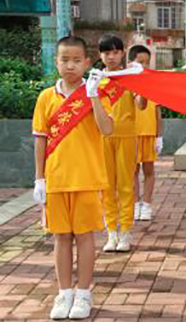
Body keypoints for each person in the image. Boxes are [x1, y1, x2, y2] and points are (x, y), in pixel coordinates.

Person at [32, 36, 113, 319]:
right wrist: (38, 179)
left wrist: (93, 96)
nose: (70, 65)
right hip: (56, 180)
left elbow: (107, 129)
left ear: (87, 63)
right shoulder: (46, 97)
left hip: (87, 178)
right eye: (65, 60)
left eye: (77, 60)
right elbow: (40, 140)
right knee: (61, 238)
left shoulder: (95, 94)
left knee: (85, 237)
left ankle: (83, 293)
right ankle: (64, 292)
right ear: (56, 62)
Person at [99, 34, 146, 252]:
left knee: (126, 184)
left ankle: (125, 231)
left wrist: (144, 85)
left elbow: (142, 105)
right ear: (100, 55)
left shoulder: (130, 77)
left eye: (115, 52)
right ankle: (111, 232)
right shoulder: (96, 80)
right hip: (102, 138)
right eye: (106, 52)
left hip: (127, 136)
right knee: (106, 186)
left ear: (122, 53)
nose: (111, 56)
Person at [128, 45, 163, 221]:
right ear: (130, 62)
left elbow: (157, 113)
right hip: (131, 134)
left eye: (147, 62)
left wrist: (159, 136)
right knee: (133, 171)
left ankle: (147, 205)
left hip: (149, 133)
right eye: (140, 62)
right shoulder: (126, 83)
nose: (144, 66)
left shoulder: (152, 83)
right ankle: (135, 205)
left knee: (148, 170)